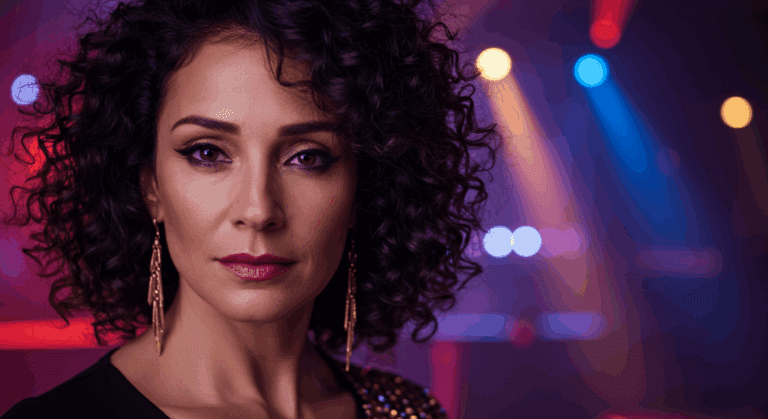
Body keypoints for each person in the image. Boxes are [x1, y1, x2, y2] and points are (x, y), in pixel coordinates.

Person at [1, 0, 500, 417]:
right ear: (150, 186)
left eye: (307, 157)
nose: (259, 210)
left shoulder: (410, 411)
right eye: (207, 153)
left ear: (360, 191)